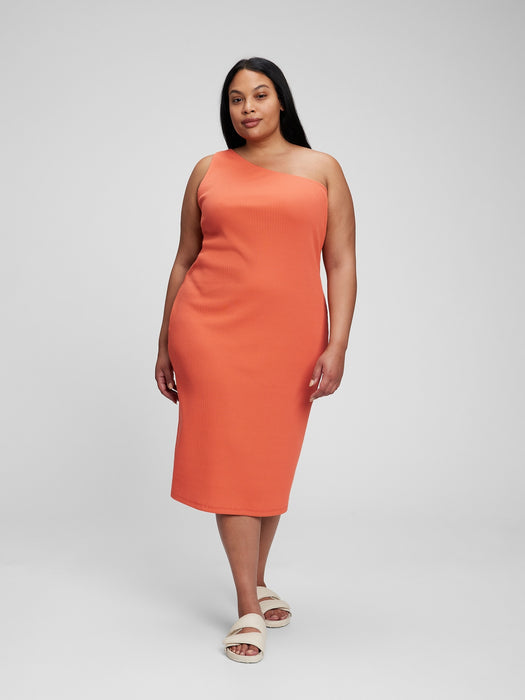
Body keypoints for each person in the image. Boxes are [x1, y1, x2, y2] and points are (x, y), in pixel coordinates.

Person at [155, 57, 357, 663]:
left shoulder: (322, 169)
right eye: (236, 98)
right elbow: (185, 257)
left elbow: (341, 261)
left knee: (267, 462)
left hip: (290, 339)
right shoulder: (208, 170)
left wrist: (338, 342)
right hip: (209, 332)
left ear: (281, 101)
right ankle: (248, 605)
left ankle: (258, 579)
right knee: (231, 462)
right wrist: (164, 341)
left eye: (259, 95)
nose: (247, 108)